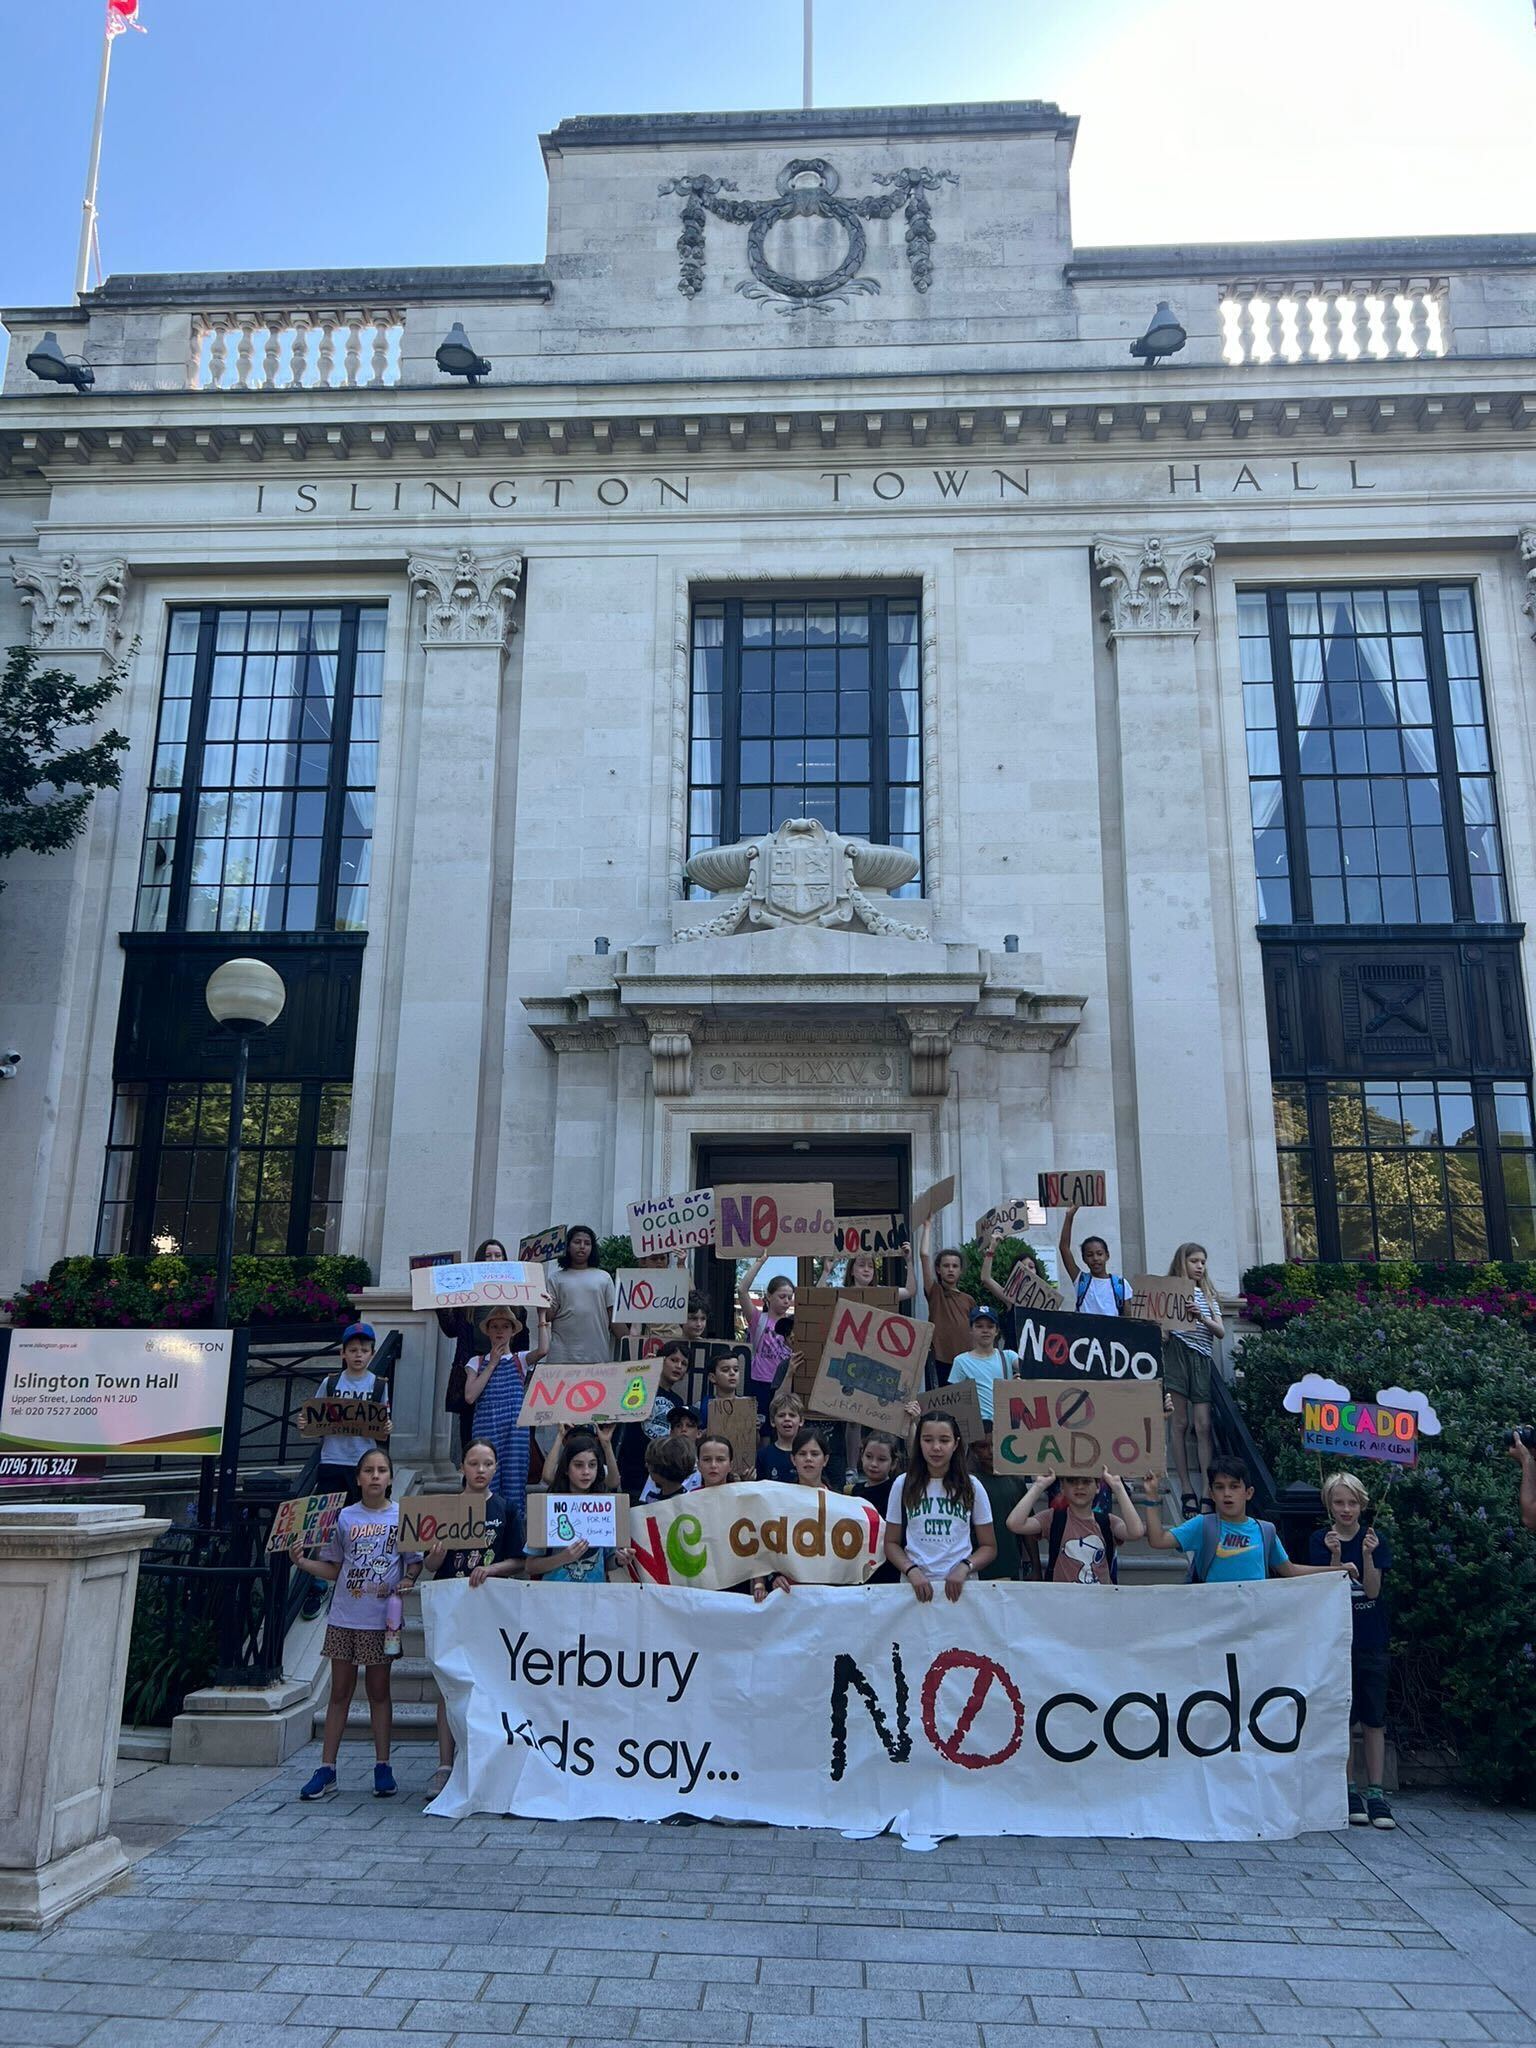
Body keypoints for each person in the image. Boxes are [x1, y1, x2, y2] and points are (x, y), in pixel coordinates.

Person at [293, 1446, 421, 1803]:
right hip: (345, 1616)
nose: (375, 1476)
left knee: (379, 1692)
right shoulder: (345, 1518)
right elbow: (334, 1568)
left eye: (382, 1469)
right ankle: (326, 1768)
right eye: (368, 1470)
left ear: (391, 1477)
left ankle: (383, 1765)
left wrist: (408, 1580)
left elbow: (413, 1562)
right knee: (339, 1692)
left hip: (382, 1620)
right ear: (358, 1477)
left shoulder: (403, 1515)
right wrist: (304, 1564)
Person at [422, 1436, 525, 1801]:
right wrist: (437, 1552)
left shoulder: (506, 1508)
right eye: (473, 1463)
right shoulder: (444, 1508)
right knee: (449, 1684)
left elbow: (518, 1559)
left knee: (487, 1684)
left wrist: (492, 1569)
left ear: (496, 1468)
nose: (480, 1470)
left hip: (488, 1606)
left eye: (487, 1464)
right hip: (452, 1604)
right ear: (462, 1466)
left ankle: (482, 1758)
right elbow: (430, 1565)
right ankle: (445, 1764)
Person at [1309, 1472, 1394, 1829]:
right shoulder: (1319, 1540)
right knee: (1344, 1716)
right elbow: (1326, 1590)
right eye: (1339, 1502)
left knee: (1373, 1719)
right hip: (1337, 1640)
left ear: (1363, 1504)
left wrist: (1368, 1557)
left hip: (1371, 1639)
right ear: (1329, 1505)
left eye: (1353, 1502)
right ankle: (1349, 1788)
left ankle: (1376, 1791)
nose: (1346, 1509)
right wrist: (1333, 1557)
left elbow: (1372, 1592)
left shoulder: (1375, 1539)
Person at [1144, 1455, 1357, 1583]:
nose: (1227, 1494)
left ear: (1249, 1492)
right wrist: (1152, 1497)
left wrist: (1338, 1570)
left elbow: (1290, 1570)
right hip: (1212, 1623)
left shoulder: (1265, 1530)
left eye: (1234, 1487)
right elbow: (1158, 1540)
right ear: (1211, 1492)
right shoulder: (1203, 1524)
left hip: (1252, 1626)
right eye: (1219, 1487)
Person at [884, 1410, 996, 1600]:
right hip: (914, 1589)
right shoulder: (902, 1484)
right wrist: (911, 1570)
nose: (936, 1447)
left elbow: (989, 1546)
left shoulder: (972, 1486)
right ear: (919, 1442)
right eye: (928, 1440)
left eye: (944, 1440)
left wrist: (964, 1567)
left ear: (956, 1444)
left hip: (962, 1589)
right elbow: (891, 1543)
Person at [1164, 1241, 1225, 1516]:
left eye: (1203, 1261)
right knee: (1179, 1422)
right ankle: (1186, 1487)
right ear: (1182, 1262)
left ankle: (1205, 1490)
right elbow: (1162, 1330)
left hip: (1201, 1358)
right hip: (1176, 1355)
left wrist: (1201, 1316)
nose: (1200, 1266)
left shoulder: (1208, 1294)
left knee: (1202, 1425)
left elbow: (1220, 1331)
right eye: (1195, 1261)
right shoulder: (1169, 1293)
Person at [439, 1238, 514, 1456]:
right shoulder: (467, 1296)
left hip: (503, 1368)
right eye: (487, 1255)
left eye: (497, 1255)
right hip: (472, 1368)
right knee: (469, 1424)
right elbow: (451, 1329)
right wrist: (440, 1303)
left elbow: (521, 1337)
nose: (492, 1260)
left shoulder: (514, 1296)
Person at [1007, 1468, 1146, 1584]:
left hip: (1100, 1604)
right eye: (1072, 1481)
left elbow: (1136, 1532)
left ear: (1098, 1487)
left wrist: (1117, 1486)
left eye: (1086, 1482)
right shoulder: (1052, 1518)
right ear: (1062, 1487)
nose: (1080, 1487)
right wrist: (1039, 1486)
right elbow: (1015, 1524)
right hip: (1062, 1604)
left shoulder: (1108, 1522)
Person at [525, 1426, 621, 1585]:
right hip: (554, 1598)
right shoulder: (548, 1508)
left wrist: (619, 1560)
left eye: (592, 1465)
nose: (586, 1472)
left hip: (594, 1598)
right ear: (566, 1469)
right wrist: (563, 1558)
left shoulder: (605, 1509)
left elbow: (607, 1562)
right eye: (578, 1465)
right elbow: (530, 1566)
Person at [460, 1305, 531, 1516]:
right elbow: (470, 1396)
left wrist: (543, 1314)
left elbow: (544, 1349)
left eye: (505, 1326)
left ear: (512, 1331)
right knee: (484, 1480)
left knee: (514, 1480)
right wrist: (492, 1363)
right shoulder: (476, 1361)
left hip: (514, 1429)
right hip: (486, 1426)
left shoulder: (522, 1359)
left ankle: (513, 1534)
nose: (500, 1331)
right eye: (495, 1326)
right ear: (488, 1331)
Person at [312, 1322, 389, 1506]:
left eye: (364, 1350)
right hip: (332, 1457)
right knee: (329, 1515)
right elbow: (314, 1416)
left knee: (360, 1510)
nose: (359, 1354)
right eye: (353, 1350)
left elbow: (383, 1423)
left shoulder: (378, 1385)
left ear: (372, 1354)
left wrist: (387, 1426)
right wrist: (305, 1421)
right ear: (343, 1353)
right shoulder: (330, 1383)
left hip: (363, 1459)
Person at [753, 1426, 836, 1599]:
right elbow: (764, 1543)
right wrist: (773, 1577)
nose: (808, 1459)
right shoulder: (778, 1500)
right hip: (787, 1592)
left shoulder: (839, 1503)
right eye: (802, 1454)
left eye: (815, 1454)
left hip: (826, 1593)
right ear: (793, 1459)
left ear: (825, 1459)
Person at [532, 1224, 618, 1367]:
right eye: (577, 1242)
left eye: (587, 1243)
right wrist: (538, 1298)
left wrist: (633, 1343)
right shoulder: (555, 1278)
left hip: (596, 1354)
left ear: (592, 1248)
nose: (582, 1247)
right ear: (567, 1246)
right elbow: (547, 1316)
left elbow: (614, 1318)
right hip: (562, 1355)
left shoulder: (604, 1277)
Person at [618, 1339, 695, 1495]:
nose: (678, 1366)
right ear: (661, 1361)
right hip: (632, 1467)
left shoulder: (678, 1401)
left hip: (661, 1471)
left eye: (684, 1364)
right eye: (673, 1360)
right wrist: (644, 1374)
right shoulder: (642, 1388)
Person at [968, 1432, 1034, 1581]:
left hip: (1009, 1568)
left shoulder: (1016, 1482)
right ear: (973, 1450)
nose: (990, 1452)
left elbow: (1028, 1532)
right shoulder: (966, 1483)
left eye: (995, 1445)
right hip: (974, 1569)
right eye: (983, 1446)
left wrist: (1035, 1566)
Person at [918, 1218, 975, 1385]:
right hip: (938, 1360)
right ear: (938, 1269)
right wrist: (927, 1226)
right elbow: (924, 1255)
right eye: (946, 1265)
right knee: (938, 1406)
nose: (950, 1269)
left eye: (955, 1266)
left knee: (962, 1408)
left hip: (965, 1360)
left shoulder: (969, 1300)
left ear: (960, 1270)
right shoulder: (935, 1292)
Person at [738, 1257, 795, 1423]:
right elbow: (742, 1290)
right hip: (759, 1381)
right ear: (769, 1296)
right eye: (782, 1296)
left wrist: (826, 1272)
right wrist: (760, 1262)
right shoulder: (758, 1319)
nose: (786, 1301)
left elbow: (813, 1302)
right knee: (760, 1429)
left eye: (789, 1297)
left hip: (784, 1383)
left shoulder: (793, 1323)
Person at [945, 1305, 1017, 1426]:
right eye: (979, 1326)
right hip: (976, 1429)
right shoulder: (961, 1361)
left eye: (990, 1326)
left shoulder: (1008, 1356)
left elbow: (1031, 1368)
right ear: (971, 1330)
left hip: (1006, 1425)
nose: (985, 1330)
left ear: (996, 1331)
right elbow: (954, 1402)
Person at [851, 1431, 903, 1583]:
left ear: (893, 1463)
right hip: (860, 1562)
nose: (873, 1464)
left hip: (888, 1564)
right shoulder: (855, 1491)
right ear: (861, 1456)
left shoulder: (896, 1489)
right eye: (869, 1457)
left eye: (881, 1459)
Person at [1057, 1208, 1130, 1316]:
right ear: (1084, 1259)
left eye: (1099, 1254)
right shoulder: (1080, 1280)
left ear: (1107, 1255)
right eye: (1090, 1255)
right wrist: (1069, 1216)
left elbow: (1129, 1321)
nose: (1095, 1258)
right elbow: (1064, 1248)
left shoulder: (1122, 1285)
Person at [757, 1390, 805, 1483]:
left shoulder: (807, 1456)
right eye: (781, 1415)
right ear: (772, 1421)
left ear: (801, 1421)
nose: (787, 1419)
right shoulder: (763, 1456)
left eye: (792, 1415)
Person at [638, 1432, 700, 1504]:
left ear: (662, 1469)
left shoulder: (689, 1504)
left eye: (650, 1463)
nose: (646, 1465)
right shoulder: (650, 1499)